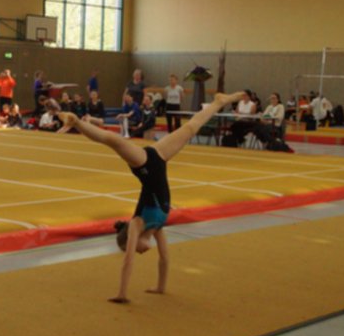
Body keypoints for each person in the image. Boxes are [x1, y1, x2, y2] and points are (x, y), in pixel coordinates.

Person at [57, 92, 244, 303]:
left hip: (144, 163)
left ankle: (77, 122)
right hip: (160, 157)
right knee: (191, 129)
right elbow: (164, 258)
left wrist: (122, 293)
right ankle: (219, 102)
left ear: (131, 239)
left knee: (114, 140)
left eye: (133, 249)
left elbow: (128, 261)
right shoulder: (157, 227)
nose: (139, 253)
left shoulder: (137, 224)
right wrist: (160, 287)